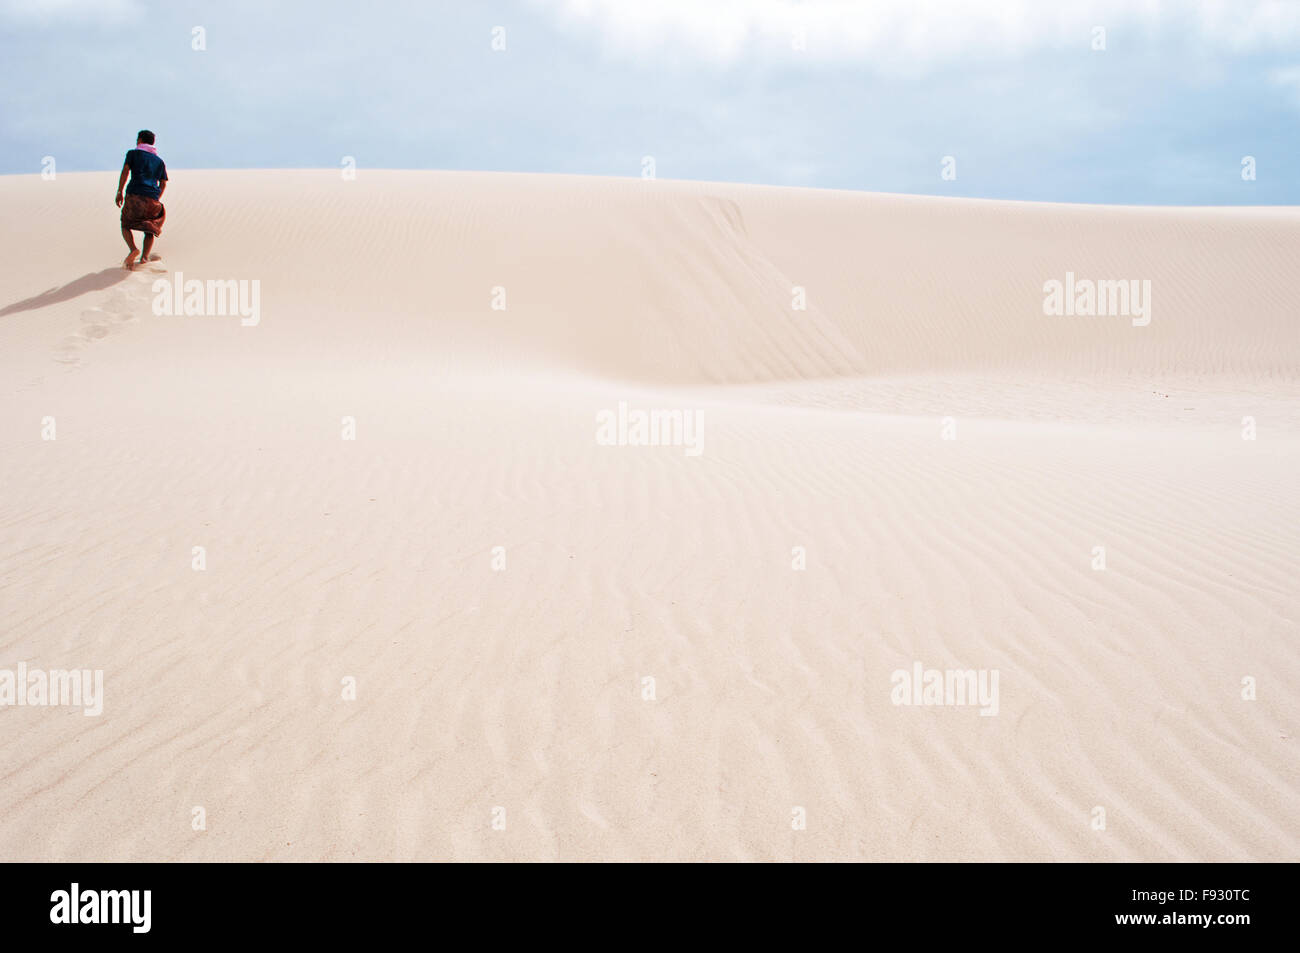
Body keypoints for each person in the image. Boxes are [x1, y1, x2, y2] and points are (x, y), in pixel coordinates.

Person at [115, 130, 168, 268]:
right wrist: (156, 197)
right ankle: (144, 258)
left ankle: (133, 249)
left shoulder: (133, 154)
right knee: (149, 228)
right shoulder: (159, 162)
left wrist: (120, 191)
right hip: (152, 199)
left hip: (134, 195)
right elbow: (163, 183)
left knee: (125, 225)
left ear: (140, 140)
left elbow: (125, 171)